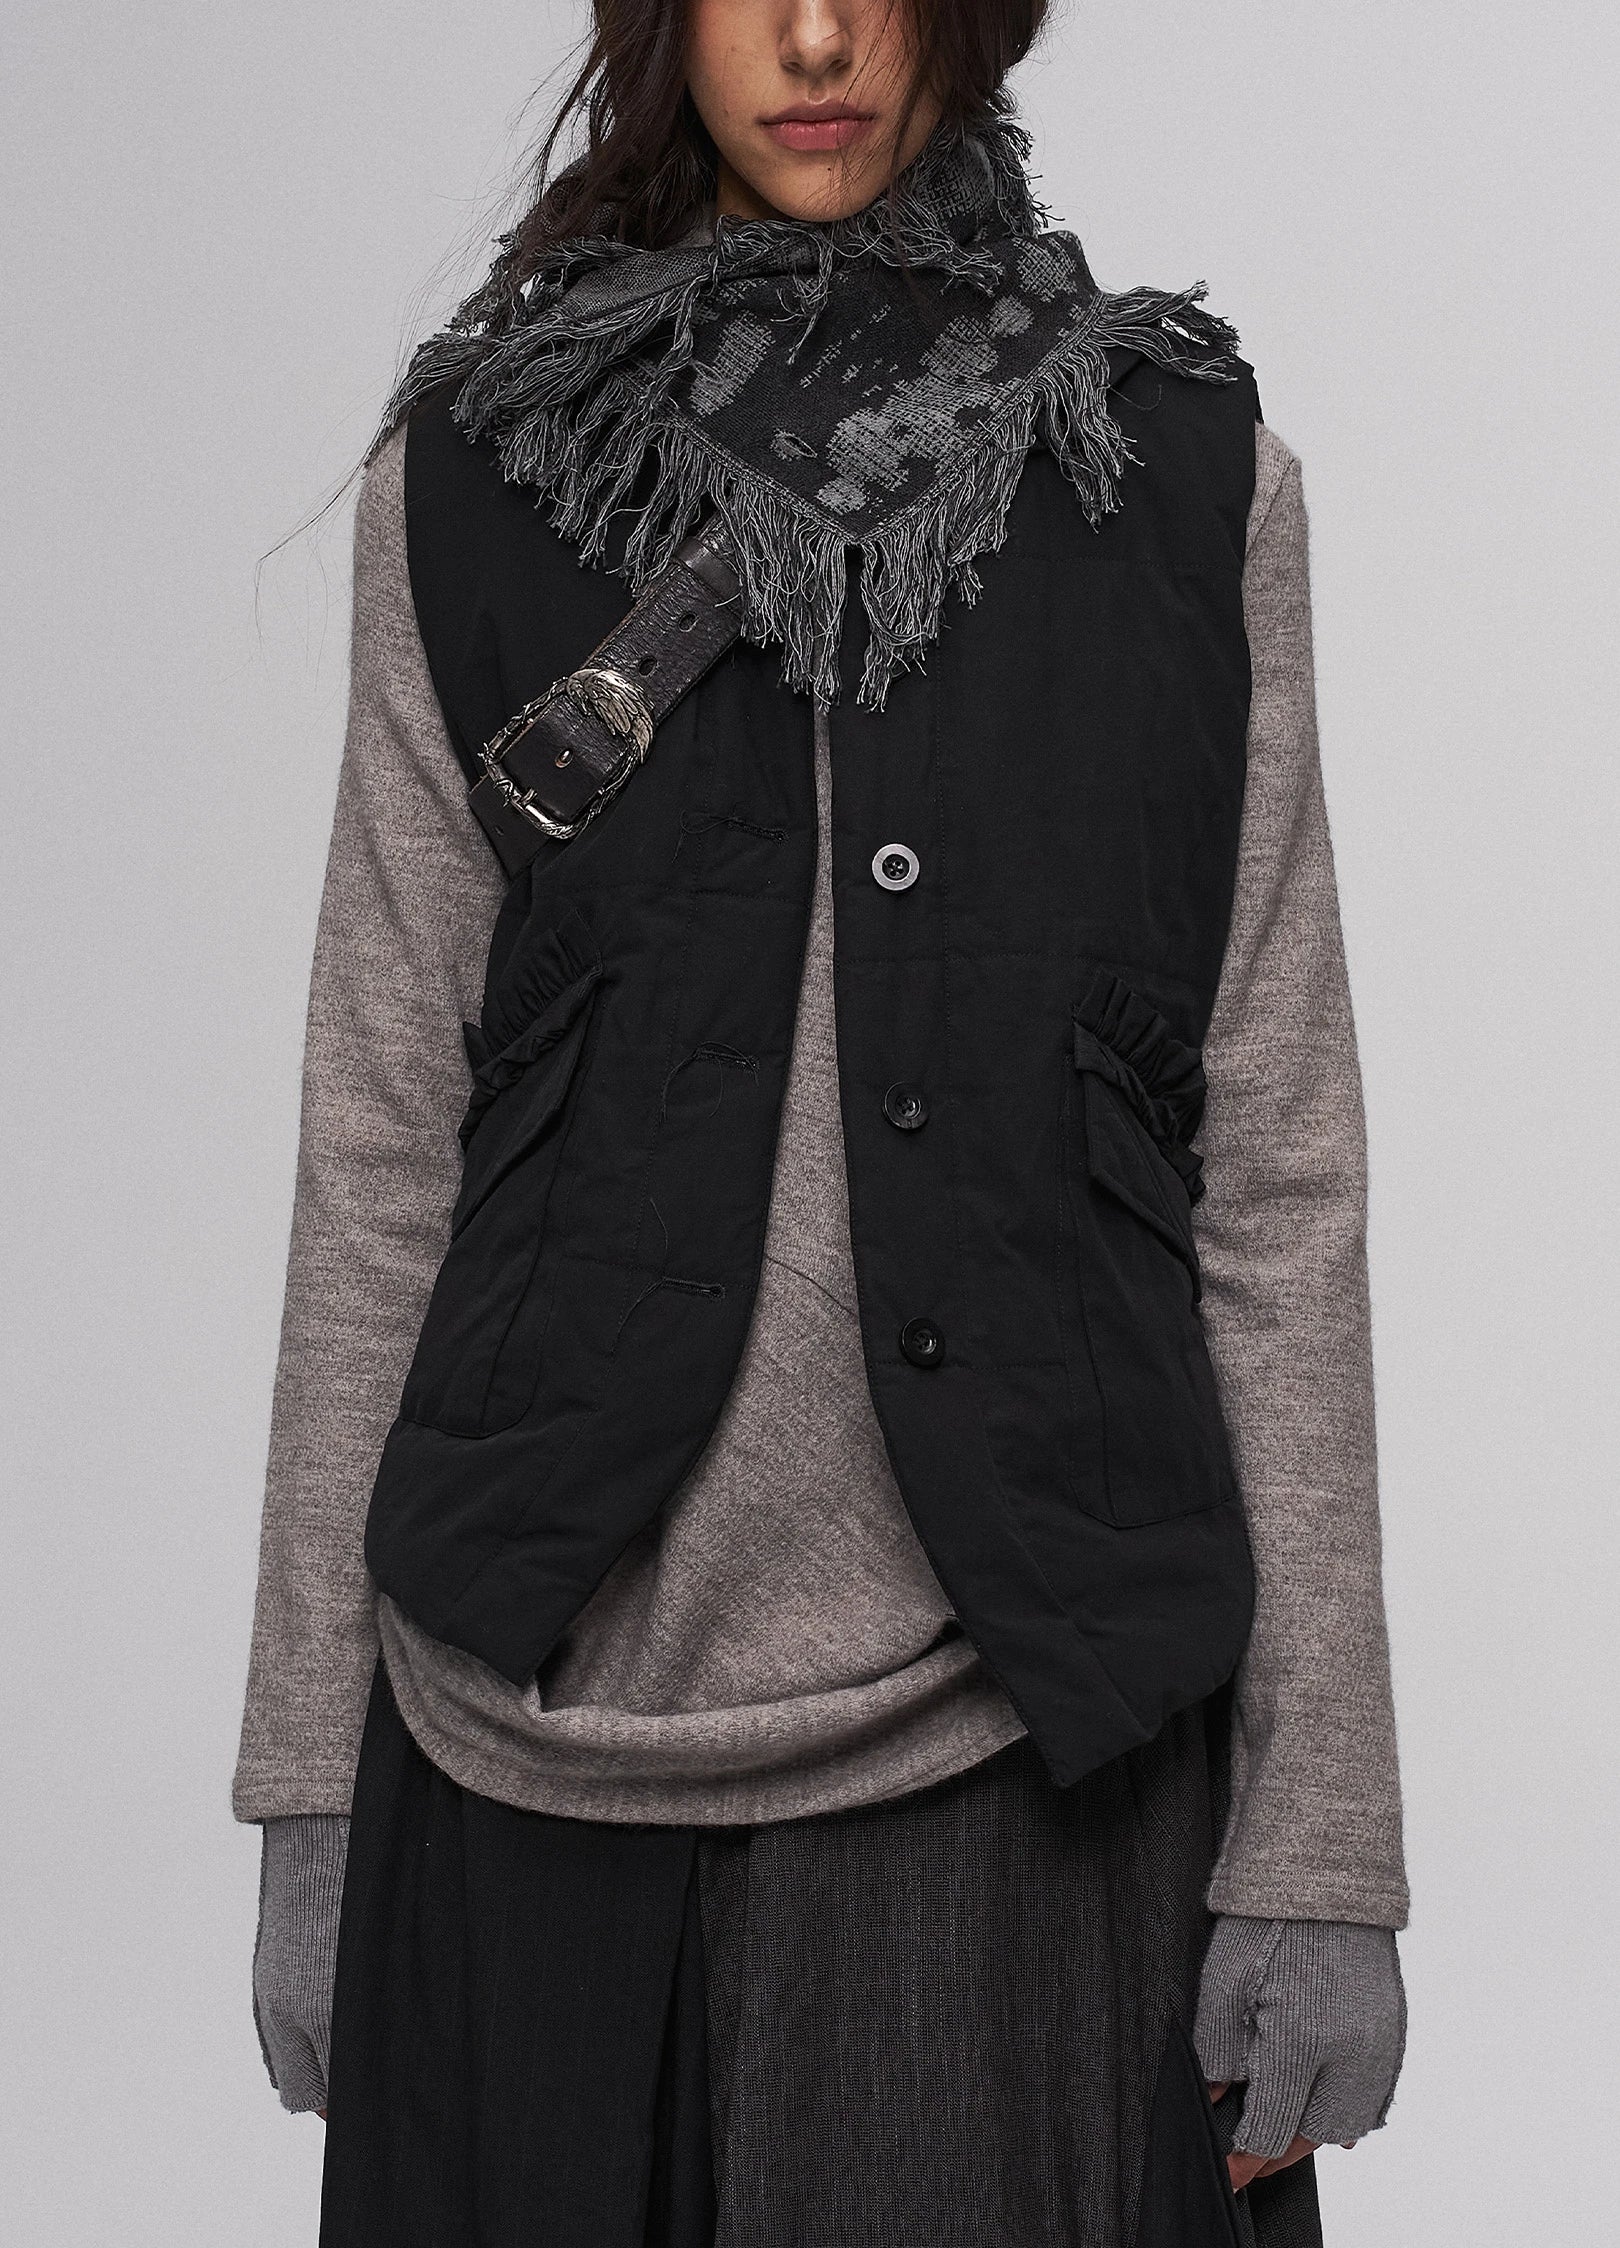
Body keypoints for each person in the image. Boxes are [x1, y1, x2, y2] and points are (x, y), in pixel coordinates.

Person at [234, 3, 1409, 2241]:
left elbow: (1277, 1157)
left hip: (1032, 1742)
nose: (813, 35)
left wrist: (1324, 1839)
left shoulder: (1181, 478)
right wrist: (306, 1775)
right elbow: (379, 1130)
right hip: (517, 1734)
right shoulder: (473, 482)